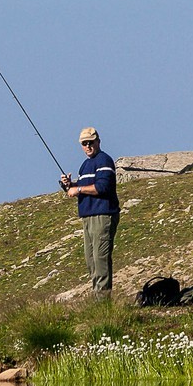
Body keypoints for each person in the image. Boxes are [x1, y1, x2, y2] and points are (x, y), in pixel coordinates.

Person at [59, 127, 120, 298]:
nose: (87, 146)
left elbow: (102, 187)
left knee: (100, 258)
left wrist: (77, 189)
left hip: (102, 215)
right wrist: (69, 185)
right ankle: (97, 298)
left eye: (90, 142)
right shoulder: (85, 165)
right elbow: (84, 187)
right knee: (91, 259)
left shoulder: (104, 161)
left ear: (98, 141)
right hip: (87, 217)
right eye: (84, 144)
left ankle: (102, 302)